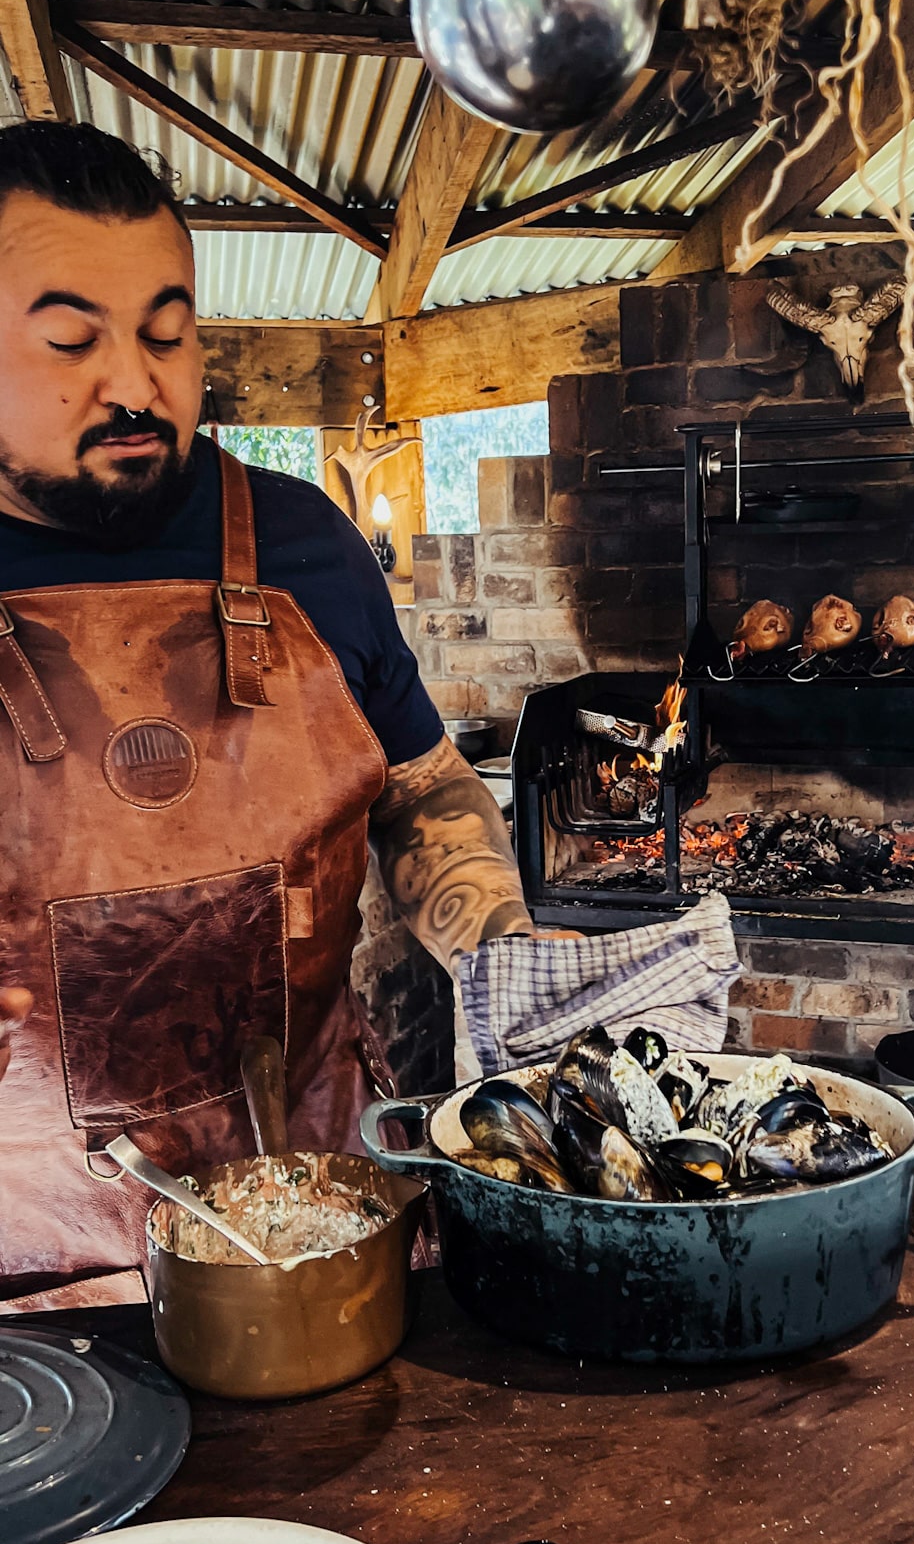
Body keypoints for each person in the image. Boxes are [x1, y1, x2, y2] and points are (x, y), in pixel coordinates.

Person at [0, 121, 535, 1306]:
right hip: (30, 1290)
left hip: (320, 1233)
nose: (135, 383)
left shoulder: (304, 544)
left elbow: (426, 786)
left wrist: (502, 950)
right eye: (72, 341)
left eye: (167, 334)